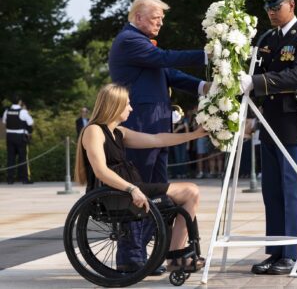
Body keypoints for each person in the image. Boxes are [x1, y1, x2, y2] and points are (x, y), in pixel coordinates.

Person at [108, 0, 209, 274]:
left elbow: (170, 73)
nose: (160, 23)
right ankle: (130, 256)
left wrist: (204, 87)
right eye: (156, 18)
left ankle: (152, 253)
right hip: (140, 126)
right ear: (139, 17)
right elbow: (165, 59)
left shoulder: (143, 44)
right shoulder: (130, 41)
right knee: (140, 189)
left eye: (161, 19)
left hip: (157, 125)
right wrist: (207, 54)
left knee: (158, 192)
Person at [74, 83, 207, 271]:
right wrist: (132, 189)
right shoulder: (93, 130)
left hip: (127, 189)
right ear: (115, 105)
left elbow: (158, 139)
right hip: (115, 194)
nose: (131, 108)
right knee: (190, 191)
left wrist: (195, 135)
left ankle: (176, 257)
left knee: (190, 193)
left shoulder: (119, 132)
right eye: (127, 104)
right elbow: (100, 171)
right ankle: (176, 259)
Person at [239, 0, 297, 275]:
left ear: (292, 5)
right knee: (272, 191)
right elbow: (254, 72)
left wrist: (258, 83)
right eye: (268, 7)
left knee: (293, 189)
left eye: (277, 6)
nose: (271, 12)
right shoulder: (268, 39)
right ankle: (277, 253)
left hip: (295, 122)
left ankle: (294, 254)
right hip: (270, 122)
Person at [2, 95, 34, 184]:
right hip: (20, 137)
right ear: (19, 101)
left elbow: (4, 123)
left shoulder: (7, 111)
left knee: (10, 158)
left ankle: (10, 179)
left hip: (9, 136)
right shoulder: (23, 112)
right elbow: (31, 123)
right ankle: (24, 179)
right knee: (23, 157)